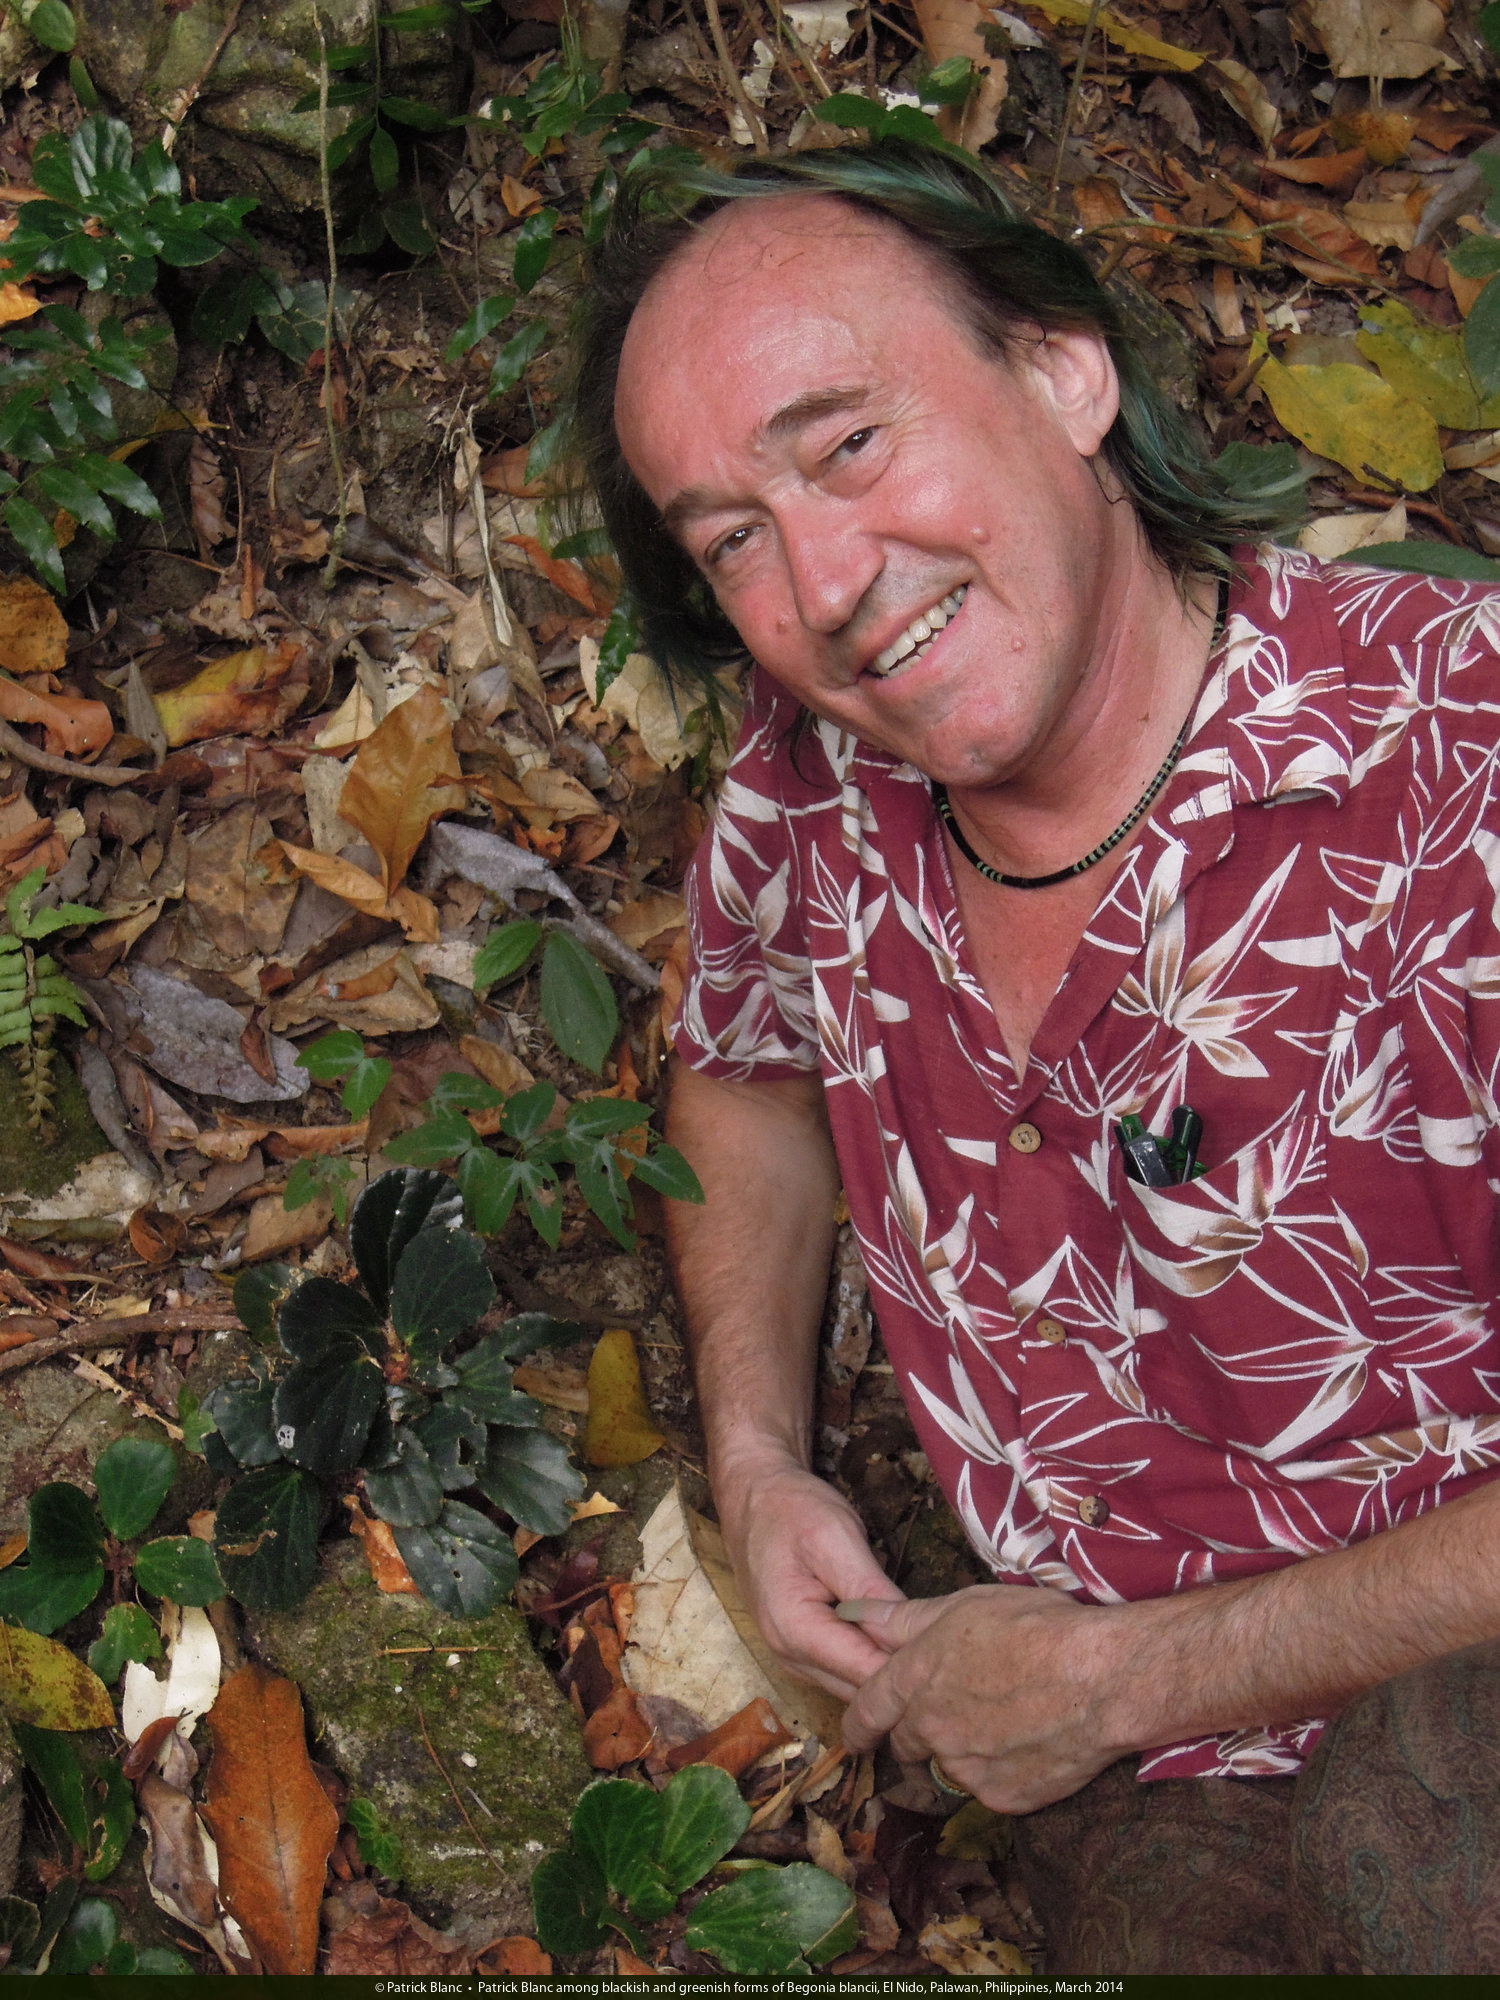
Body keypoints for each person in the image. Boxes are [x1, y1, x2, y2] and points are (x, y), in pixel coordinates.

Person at [569, 140, 1500, 1972]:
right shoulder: (809, 772)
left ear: (1067, 372)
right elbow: (747, 1071)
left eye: (850, 444)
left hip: (1415, 1649)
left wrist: (1116, 1679)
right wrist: (758, 1459)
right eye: (732, 539)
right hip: (1139, 1760)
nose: (825, 583)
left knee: (1412, 1866)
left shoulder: (1457, 767)